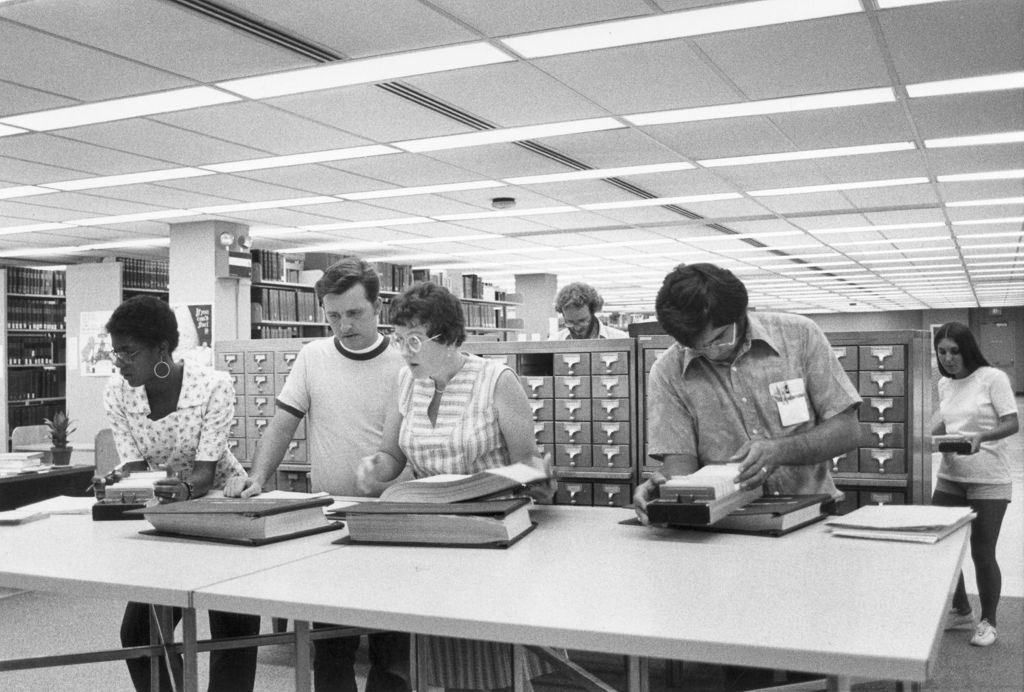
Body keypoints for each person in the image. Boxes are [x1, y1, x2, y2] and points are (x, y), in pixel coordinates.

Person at [356, 281, 555, 692]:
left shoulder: (496, 381)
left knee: (490, 666)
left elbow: (527, 465)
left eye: (414, 340)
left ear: (445, 337)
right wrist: (377, 468)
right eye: (399, 340)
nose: (405, 351)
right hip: (433, 538)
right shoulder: (405, 382)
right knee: (439, 660)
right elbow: (392, 455)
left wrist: (541, 481)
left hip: (489, 540)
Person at [222, 256, 409, 692]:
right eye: (333, 316)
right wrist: (259, 476)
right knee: (331, 647)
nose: (344, 325)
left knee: (394, 650)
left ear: (378, 308)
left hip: (392, 519)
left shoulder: (404, 361)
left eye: (354, 313)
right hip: (333, 521)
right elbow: (284, 422)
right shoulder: (313, 356)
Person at [102, 295, 260, 692]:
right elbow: (136, 469)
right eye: (114, 351)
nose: (119, 361)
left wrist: (186, 487)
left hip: (225, 509)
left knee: (234, 634)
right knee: (139, 631)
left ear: (161, 349)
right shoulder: (118, 392)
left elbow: (206, 473)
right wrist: (120, 488)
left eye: (127, 351)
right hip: (169, 515)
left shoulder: (213, 385)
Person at [633, 263, 862, 525]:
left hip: (810, 513)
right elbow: (680, 466)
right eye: (697, 346)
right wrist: (665, 492)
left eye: (720, 338)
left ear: (740, 314)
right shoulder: (668, 370)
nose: (712, 352)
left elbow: (848, 430)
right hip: (729, 522)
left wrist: (779, 451)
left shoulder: (799, 336)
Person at [931, 322, 1019, 647]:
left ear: (967, 349)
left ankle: (988, 620)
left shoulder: (992, 378)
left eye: (954, 351)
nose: (949, 358)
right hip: (951, 475)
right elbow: (949, 421)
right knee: (939, 544)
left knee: (982, 552)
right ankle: (961, 608)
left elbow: (1012, 422)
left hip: (988, 478)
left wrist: (983, 436)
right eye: (942, 352)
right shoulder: (944, 384)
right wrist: (926, 436)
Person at [551, 281, 629, 340]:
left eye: (582, 321)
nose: (577, 328)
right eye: (570, 322)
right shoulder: (554, 342)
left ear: (593, 312)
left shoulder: (619, 338)